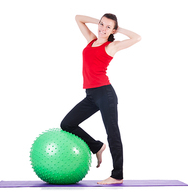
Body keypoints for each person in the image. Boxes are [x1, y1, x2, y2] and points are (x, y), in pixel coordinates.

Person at [60, 14, 141, 185]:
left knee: (113, 134)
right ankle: (96, 146)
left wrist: (118, 29)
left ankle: (117, 175)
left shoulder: (111, 46)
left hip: (105, 95)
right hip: (91, 95)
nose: (103, 29)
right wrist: (99, 21)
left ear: (113, 30)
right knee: (67, 124)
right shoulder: (91, 40)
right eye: (101, 24)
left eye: (108, 27)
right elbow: (78, 18)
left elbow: (137, 37)